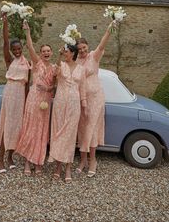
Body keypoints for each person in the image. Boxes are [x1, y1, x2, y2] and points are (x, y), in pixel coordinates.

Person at [76, 21, 117, 177]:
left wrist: (109, 29)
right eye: (79, 49)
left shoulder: (94, 56)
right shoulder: (76, 61)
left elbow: (102, 44)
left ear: (87, 46)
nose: (82, 51)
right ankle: (83, 160)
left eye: (84, 47)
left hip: (96, 98)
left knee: (91, 129)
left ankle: (93, 160)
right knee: (82, 129)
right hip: (82, 99)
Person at [16, 21, 56, 175]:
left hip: (45, 101)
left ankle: (38, 162)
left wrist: (48, 88)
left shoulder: (54, 68)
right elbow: (30, 46)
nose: (46, 53)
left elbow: (55, 86)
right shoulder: (37, 63)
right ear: (40, 53)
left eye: (48, 51)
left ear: (51, 53)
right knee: (31, 129)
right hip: (33, 100)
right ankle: (27, 161)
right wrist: (27, 31)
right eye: (44, 51)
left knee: (41, 131)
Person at [48, 44, 87, 183]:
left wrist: (85, 105)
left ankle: (68, 167)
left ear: (73, 53)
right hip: (60, 103)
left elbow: (82, 88)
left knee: (70, 136)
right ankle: (58, 167)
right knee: (58, 133)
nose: (65, 53)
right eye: (64, 51)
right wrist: (58, 56)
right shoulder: (62, 65)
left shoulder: (81, 69)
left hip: (74, 105)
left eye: (67, 51)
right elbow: (54, 73)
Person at [0, 14, 30, 173]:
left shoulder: (27, 63)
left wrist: (27, 103)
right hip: (10, 93)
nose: (17, 51)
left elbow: (27, 85)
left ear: (22, 49)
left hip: (21, 96)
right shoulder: (9, 60)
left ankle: (10, 157)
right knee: (7, 125)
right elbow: (5, 41)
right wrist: (5, 23)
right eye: (14, 49)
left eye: (19, 49)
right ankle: (0, 160)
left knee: (16, 127)